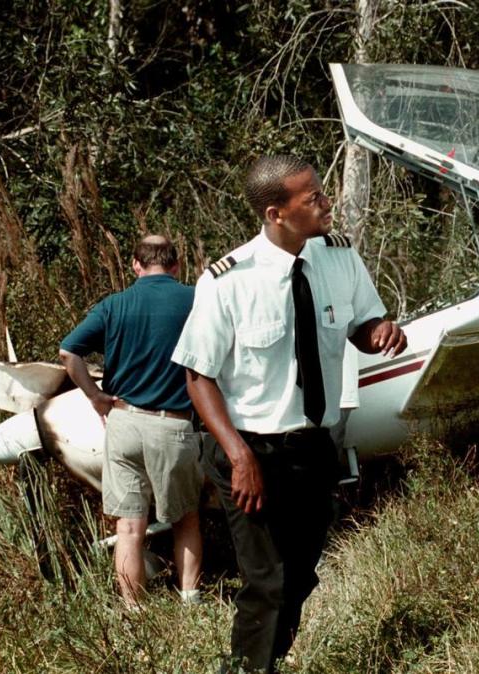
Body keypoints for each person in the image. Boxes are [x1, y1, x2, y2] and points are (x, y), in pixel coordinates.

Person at [172, 155, 406, 673]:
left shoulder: (339, 258)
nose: (326, 203)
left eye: (322, 192)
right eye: (313, 198)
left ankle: (264, 658)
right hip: (247, 448)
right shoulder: (228, 281)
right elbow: (197, 375)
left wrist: (381, 333)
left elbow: (362, 324)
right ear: (276, 213)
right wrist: (238, 457)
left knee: (300, 574)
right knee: (269, 577)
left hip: (311, 446)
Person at [59, 235, 203, 609]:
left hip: (122, 423)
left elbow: (68, 352)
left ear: (136, 266)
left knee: (128, 525)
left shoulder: (114, 305)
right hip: (172, 424)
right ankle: (190, 603)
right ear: (176, 265)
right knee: (185, 518)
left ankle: (134, 611)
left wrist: (95, 397)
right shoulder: (195, 299)